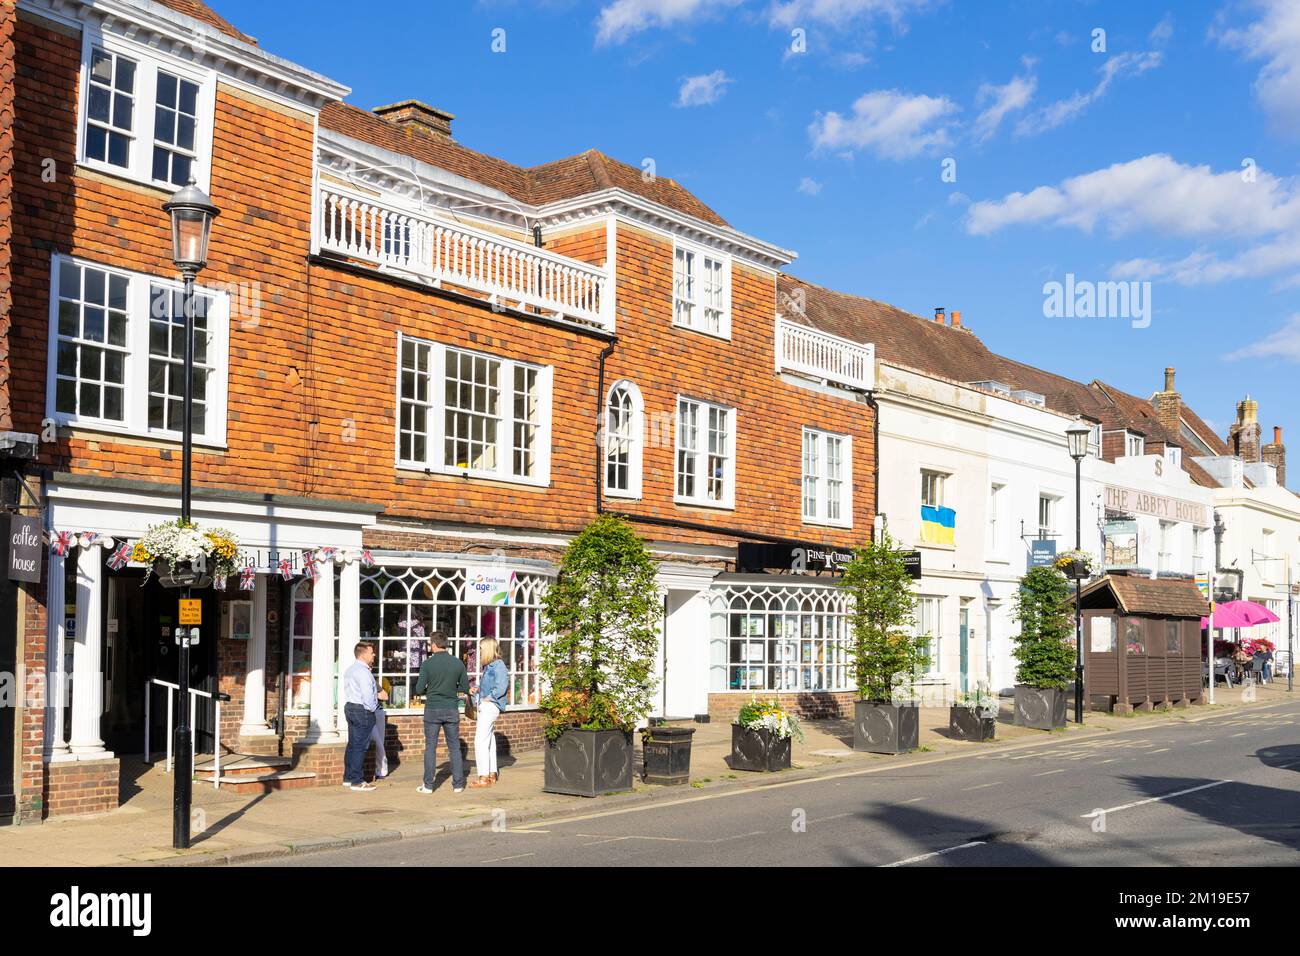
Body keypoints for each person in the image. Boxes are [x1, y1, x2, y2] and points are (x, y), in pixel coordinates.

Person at [414, 631, 468, 794]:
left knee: (431, 747)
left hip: (432, 709)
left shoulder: (427, 664)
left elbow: (418, 689)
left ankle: (428, 785)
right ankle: (458, 784)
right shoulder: (458, 663)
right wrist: (452, 689)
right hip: (451, 709)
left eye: (430, 644)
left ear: (434, 644)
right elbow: (465, 687)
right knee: (454, 748)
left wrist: (430, 688)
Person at [342, 642, 386, 792]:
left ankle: (348, 777)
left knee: (353, 744)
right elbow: (368, 695)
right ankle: (356, 780)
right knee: (360, 746)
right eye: (371, 652)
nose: (374, 655)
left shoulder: (350, 670)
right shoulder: (364, 672)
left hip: (350, 707)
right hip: (362, 709)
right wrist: (373, 709)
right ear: (363, 654)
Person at [469, 638, 509, 788]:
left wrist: (487, 699)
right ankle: (492, 773)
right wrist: (477, 689)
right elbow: (491, 685)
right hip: (488, 705)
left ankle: (483, 777)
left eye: (480, 648)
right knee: (489, 740)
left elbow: (501, 687)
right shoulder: (490, 666)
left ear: (487, 649)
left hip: (490, 706)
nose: (478, 651)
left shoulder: (498, 666)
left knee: (480, 741)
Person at [370, 676, 391, 779]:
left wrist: (371, 694)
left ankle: (381, 770)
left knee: (379, 742)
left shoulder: (371, 679)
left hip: (377, 712)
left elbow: (385, 696)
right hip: (365, 713)